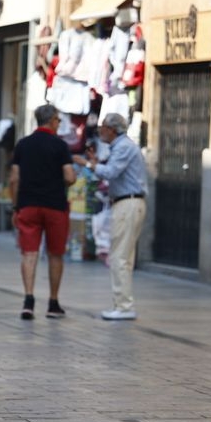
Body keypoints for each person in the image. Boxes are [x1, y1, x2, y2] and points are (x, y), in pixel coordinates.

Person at [73, 113, 147, 320]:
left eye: (103, 126)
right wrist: (96, 163)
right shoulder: (121, 147)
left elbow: (112, 172)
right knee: (123, 256)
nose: (100, 130)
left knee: (118, 256)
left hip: (127, 203)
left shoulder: (123, 147)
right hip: (127, 203)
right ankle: (123, 303)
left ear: (113, 129)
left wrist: (88, 164)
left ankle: (123, 306)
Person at [8, 104, 76, 321]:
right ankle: (53, 304)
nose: (59, 124)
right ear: (52, 120)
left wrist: (15, 206)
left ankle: (28, 301)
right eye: (58, 120)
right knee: (55, 254)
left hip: (28, 206)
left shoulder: (23, 145)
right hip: (55, 206)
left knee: (29, 253)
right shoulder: (60, 145)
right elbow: (69, 177)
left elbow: (14, 179)